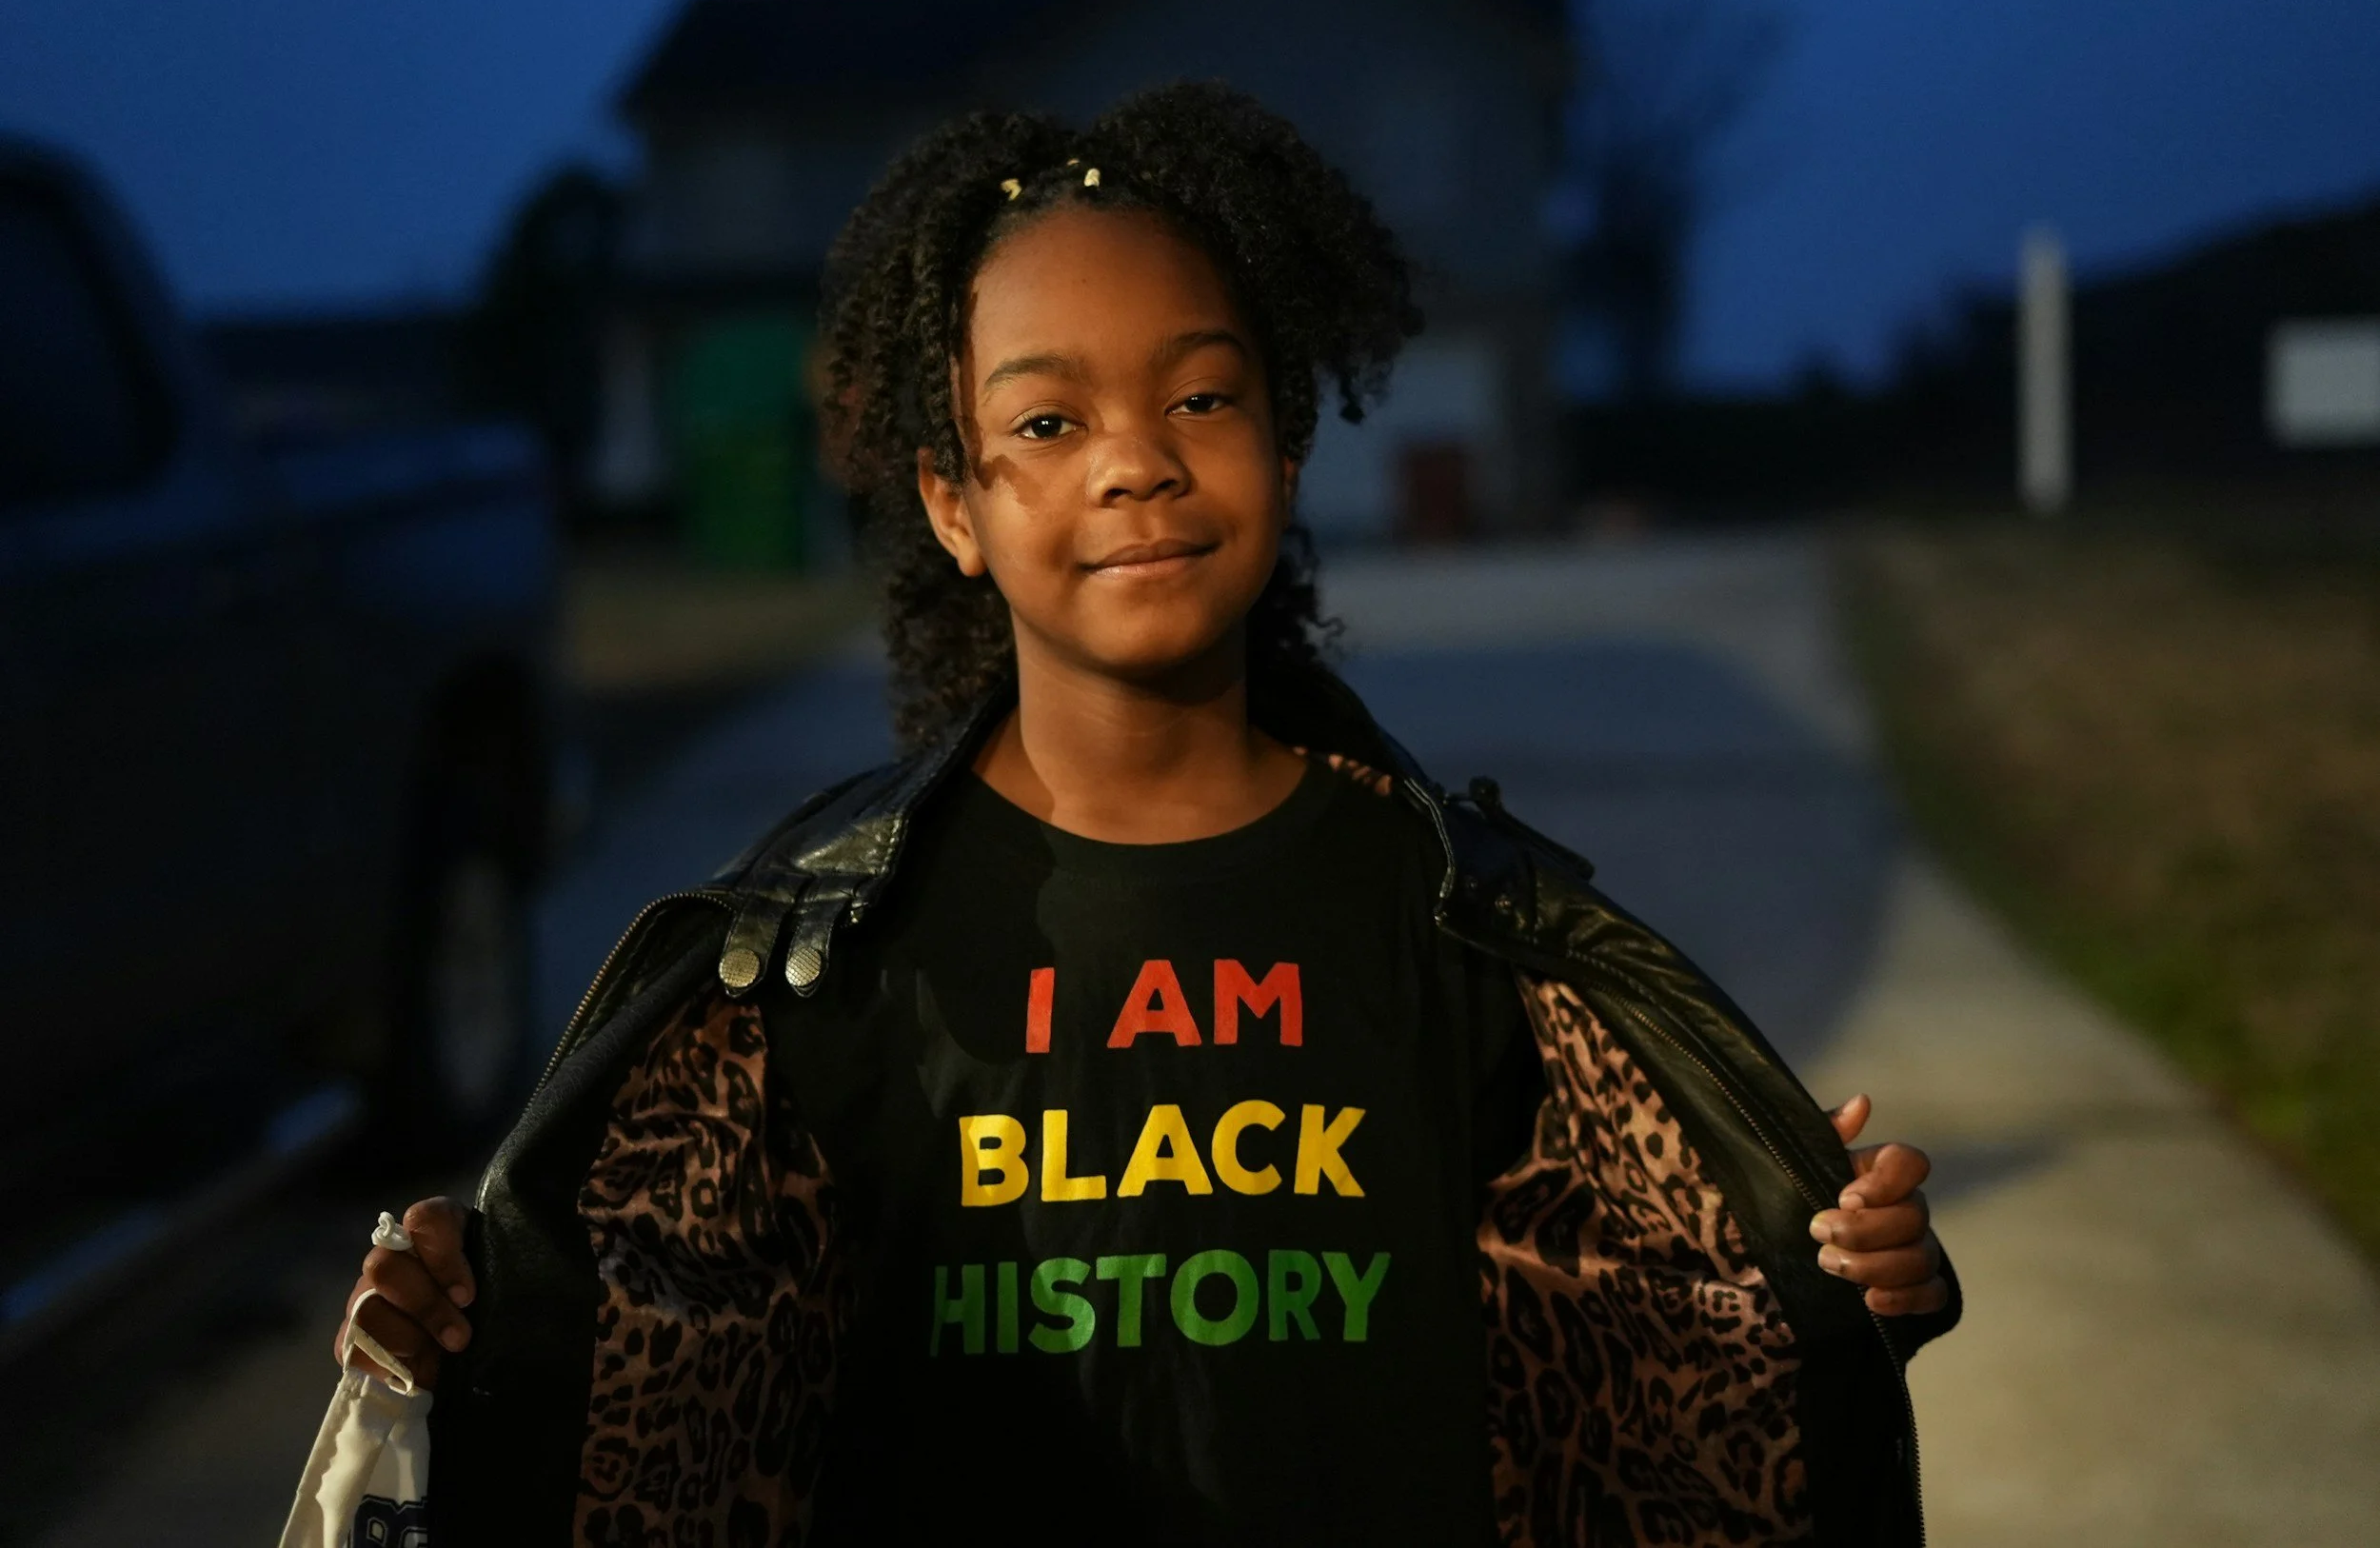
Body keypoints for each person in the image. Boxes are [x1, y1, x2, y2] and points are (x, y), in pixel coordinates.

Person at [340, 83, 1956, 1546]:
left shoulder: (1468, 922)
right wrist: (474, 1323)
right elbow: (661, 1363)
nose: (1136, 465)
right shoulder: (825, 961)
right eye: (1048, 423)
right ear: (953, 503)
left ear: (1287, 446)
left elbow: (1658, 1345)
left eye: (1200, 399)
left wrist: (1838, 1279)